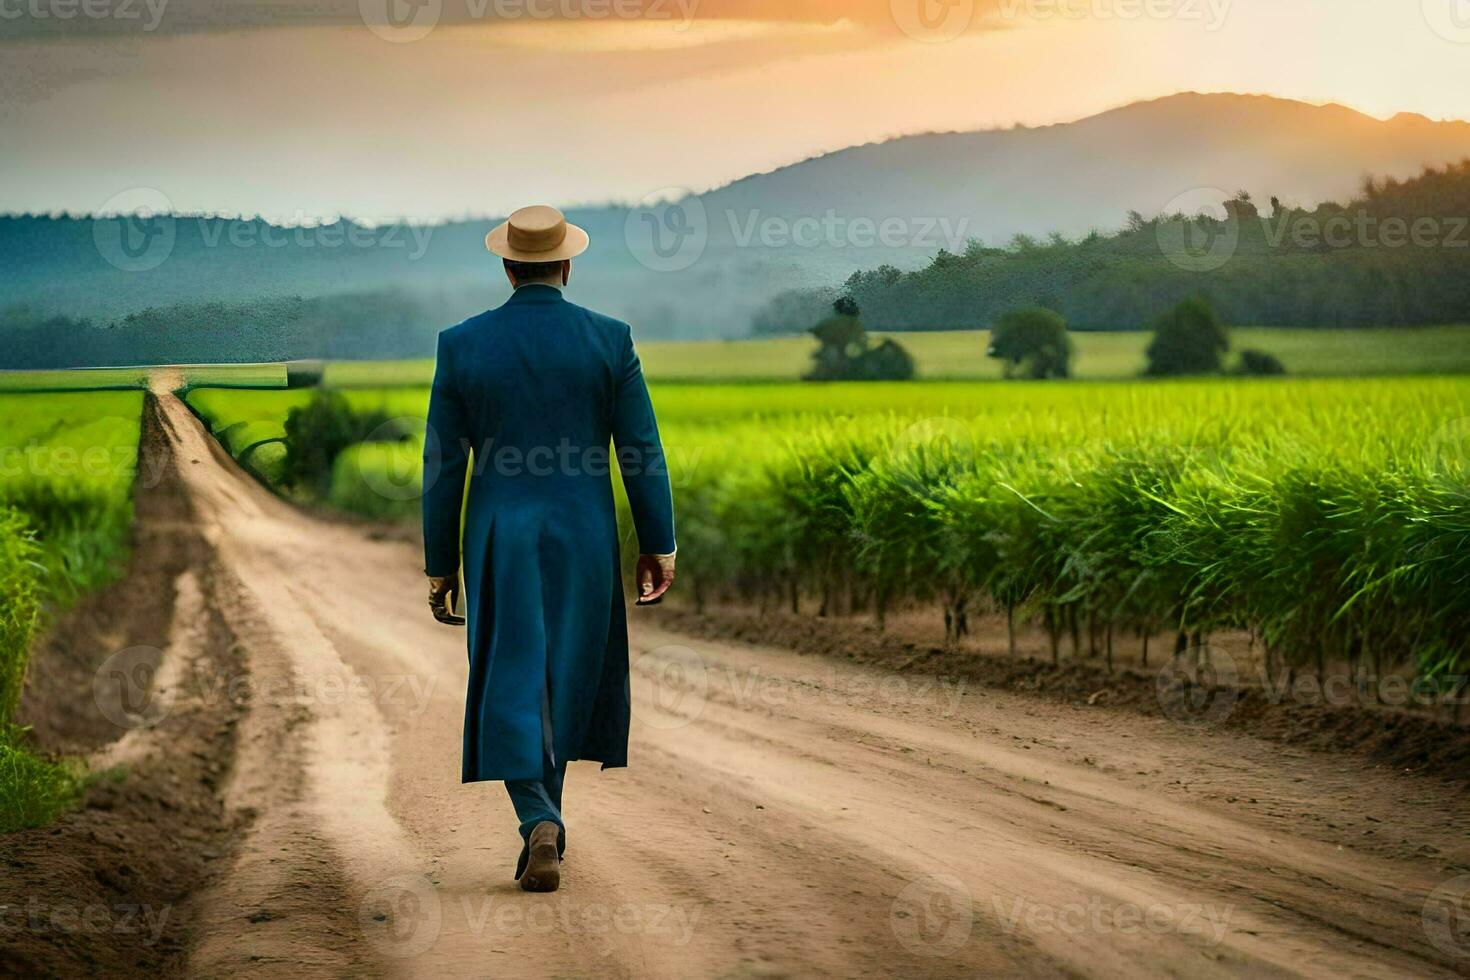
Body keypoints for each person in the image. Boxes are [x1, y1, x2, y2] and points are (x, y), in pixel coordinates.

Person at [421, 204, 676, 893]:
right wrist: (660, 544)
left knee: (511, 678)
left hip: (500, 536)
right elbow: (642, 450)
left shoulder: (462, 344)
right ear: (567, 264)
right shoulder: (609, 340)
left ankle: (538, 814)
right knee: (564, 676)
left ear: (507, 267)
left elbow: (444, 465)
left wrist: (440, 563)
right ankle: (546, 815)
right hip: (584, 535)